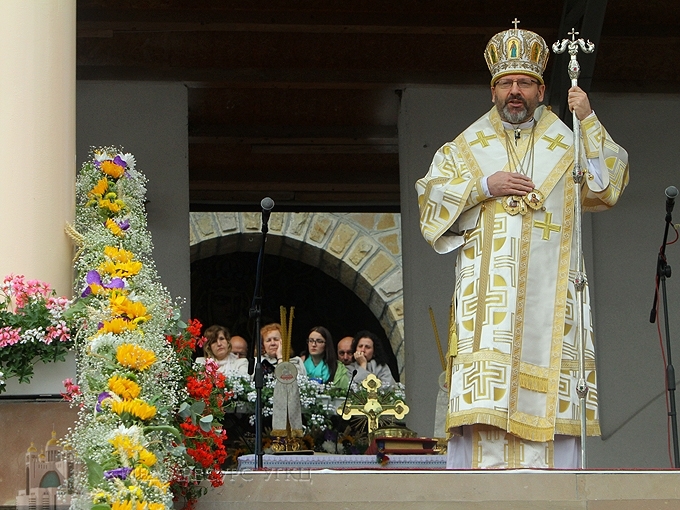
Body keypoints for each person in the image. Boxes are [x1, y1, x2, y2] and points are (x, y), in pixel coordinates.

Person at [416, 23, 629, 469]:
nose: (516, 91)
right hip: (487, 311)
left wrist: (587, 117)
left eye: (525, 83)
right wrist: (482, 186)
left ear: (541, 89)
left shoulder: (568, 140)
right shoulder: (464, 149)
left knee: (551, 400)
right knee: (487, 411)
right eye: (507, 83)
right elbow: (429, 202)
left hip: (552, 303)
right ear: (493, 90)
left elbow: (608, 186)